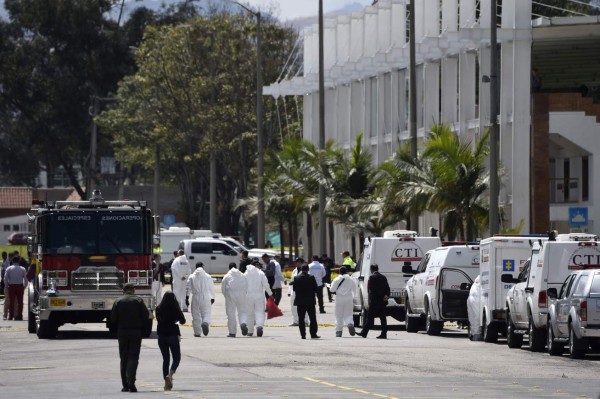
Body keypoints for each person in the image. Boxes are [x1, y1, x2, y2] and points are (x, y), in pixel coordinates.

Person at [110, 283, 150, 393]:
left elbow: (113, 319)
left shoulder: (118, 301)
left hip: (122, 332)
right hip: (136, 332)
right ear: (132, 290)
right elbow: (146, 316)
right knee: (133, 357)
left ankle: (125, 385)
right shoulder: (138, 300)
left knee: (124, 358)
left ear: (124, 290)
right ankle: (131, 381)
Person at [155, 291, 185, 391]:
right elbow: (183, 321)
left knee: (165, 359)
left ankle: (166, 381)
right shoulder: (175, 308)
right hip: (172, 334)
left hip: (161, 335)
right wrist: (176, 320)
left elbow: (159, 320)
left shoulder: (158, 308)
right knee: (176, 357)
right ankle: (170, 374)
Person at [360, 264, 390, 339]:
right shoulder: (383, 277)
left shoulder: (372, 277)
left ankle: (364, 333)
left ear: (371, 269)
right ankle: (384, 334)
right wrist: (386, 295)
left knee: (370, 318)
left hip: (374, 301)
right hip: (382, 301)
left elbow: (372, 289)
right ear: (378, 268)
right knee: (383, 319)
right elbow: (387, 288)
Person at [244, 262, 272, 337]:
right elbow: (266, 284)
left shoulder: (246, 274)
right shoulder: (261, 273)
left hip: (248, 296)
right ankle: (259, 326)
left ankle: (250, 331)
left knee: (249, 313)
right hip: (259, 295)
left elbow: (242, 285)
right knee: (260, 312)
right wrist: (270, 294)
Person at [187, 262, 215, 337]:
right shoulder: (208, 276)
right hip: (206, 296)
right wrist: (212, 297)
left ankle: (197, 332)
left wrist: (186, 298)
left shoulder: (191, 276)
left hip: (195, 297)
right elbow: (212, 288)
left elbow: (188, 288)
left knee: (195, 315)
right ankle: (205, 322)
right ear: (203, 267)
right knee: (206, 312)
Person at [221, 262, 248, 337]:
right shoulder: (242, 275)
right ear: (236, 267)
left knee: (231, 314)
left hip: (230, 295)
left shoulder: (227, 276)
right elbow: (246, 286)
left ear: (229, 268)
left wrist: (226, 296)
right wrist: (244, 294)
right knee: (242, 312)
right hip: (242, 295)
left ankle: (232, 332)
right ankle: (243, 323)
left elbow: (223, 288)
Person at [293, 263, 320, 339]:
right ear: (308, 269)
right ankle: (313, 334)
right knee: (312, 318)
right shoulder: (311, 277)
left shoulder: (296, 278)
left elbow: (294, 289)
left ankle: (303, 335)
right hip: (310, 301)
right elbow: (315, 288)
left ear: (301, 269)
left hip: (300, 302)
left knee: (301, 319)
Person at [330, 266, 357, 337]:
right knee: (348, 314)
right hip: (349, 298)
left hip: (339, 298)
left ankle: (339, 331)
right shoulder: (351, 279)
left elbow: (332, 290)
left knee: (339, 315)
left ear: (339, 272)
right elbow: (355, 289)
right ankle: (350, 323)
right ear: (347, 271)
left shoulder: (336, 279)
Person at [4, 256, 28, 320]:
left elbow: (5, 278)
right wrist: (24, 286)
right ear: (19, 261)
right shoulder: (22, 269)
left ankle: (10, 316)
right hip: (20, 286)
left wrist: (6, 286)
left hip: (11, 286)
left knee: (11, 302)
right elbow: (26, 279)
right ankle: (19, 315)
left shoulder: (9, 268)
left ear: (12, 261)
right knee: (20, 302)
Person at [287, 257, 306, 326]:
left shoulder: (306, 270)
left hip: (303, 291)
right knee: (293, 306)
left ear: (301, 263)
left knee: (304, 306)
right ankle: (296, 321)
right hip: (294, 291)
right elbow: (292, 281)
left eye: (298, 262)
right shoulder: (294, 271)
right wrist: (289, 291)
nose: (296, 263)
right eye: (296, 262)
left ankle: (305, 321)